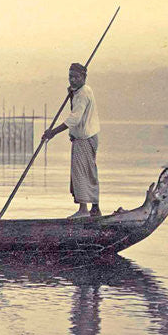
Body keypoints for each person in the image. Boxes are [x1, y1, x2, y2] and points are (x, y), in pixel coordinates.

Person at [42, 62, 101, 218]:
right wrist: (71, 96)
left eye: (76, 77)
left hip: (85, 138)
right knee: (90, 171)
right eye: (70, 77)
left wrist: (52, 132)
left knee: (80, 173)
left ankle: (83, 211)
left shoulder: (82, 94)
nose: (72, 80)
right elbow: (76, 113)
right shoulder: (82, 91)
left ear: (84, 77)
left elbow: (74, 119)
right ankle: (95, 208)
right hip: (88, 136)